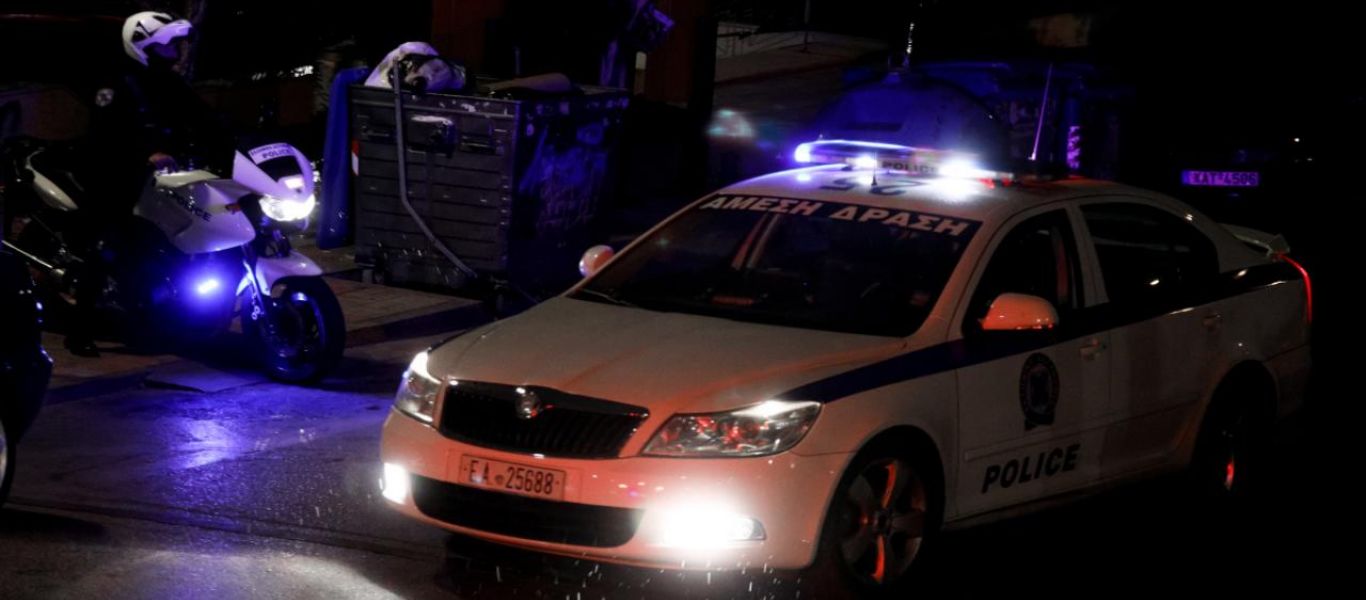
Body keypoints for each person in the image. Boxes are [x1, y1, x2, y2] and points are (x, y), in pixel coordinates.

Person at [64, 11, 232, 356]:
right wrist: (145, 153)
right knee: (109, 243)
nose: (177, 50)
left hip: (160, 178)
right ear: (146, 46)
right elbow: (106, 133)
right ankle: (79, 329)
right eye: (169, 44)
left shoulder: (169, 82)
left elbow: (205, 119)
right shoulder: (115, 85)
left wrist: (237, 142)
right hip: (113, 174)